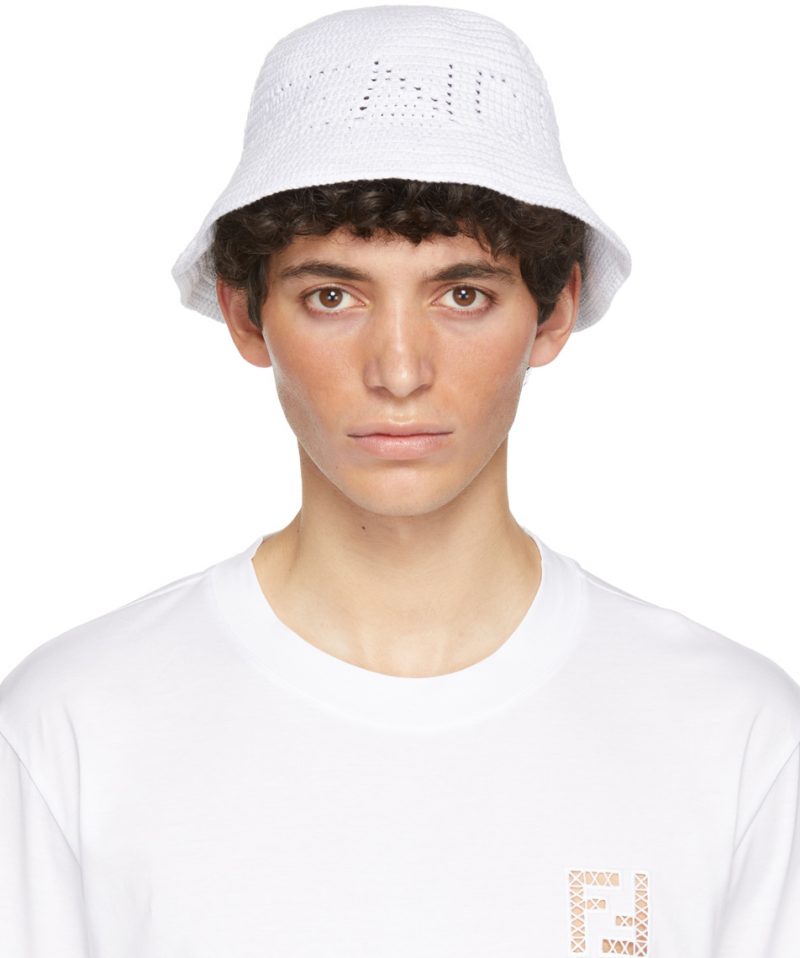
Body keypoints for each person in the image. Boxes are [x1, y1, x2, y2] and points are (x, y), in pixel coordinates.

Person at [1, 6, 798, 956]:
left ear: (553, 314)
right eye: (332, 295)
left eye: (463, 295)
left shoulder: (734, 735)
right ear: (245, 316)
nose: (401, 370)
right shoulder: (75, 724)